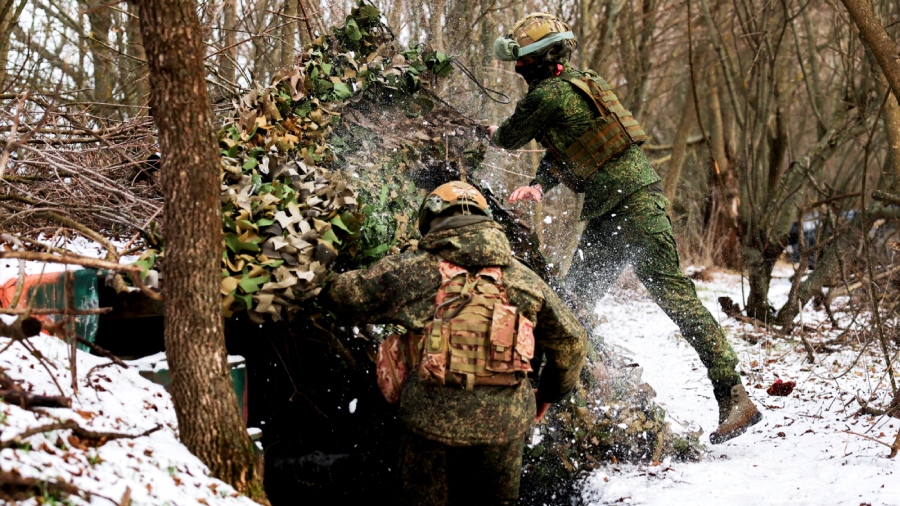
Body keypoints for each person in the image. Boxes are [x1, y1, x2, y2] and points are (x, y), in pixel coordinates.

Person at [486, 13, 761, 444]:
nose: (517, 69)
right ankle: (585, 389)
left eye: (519, 62)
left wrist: (482, 131)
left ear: (535, 62)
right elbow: (574, 147)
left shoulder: (547, 97)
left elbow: (506, 137)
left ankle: (732, 394)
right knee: (572, 302)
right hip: (618, 209)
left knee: (670, 302)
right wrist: (540, 185)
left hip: (629, 210)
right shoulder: (583, 83)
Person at [321, 181, 587, 505]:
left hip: (428, 423)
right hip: (503, 427)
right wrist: (547, 395)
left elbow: (343, 297)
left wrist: (317, 260)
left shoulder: (414, 271)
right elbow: (572, 342)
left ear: (431, 219)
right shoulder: (524, 279)